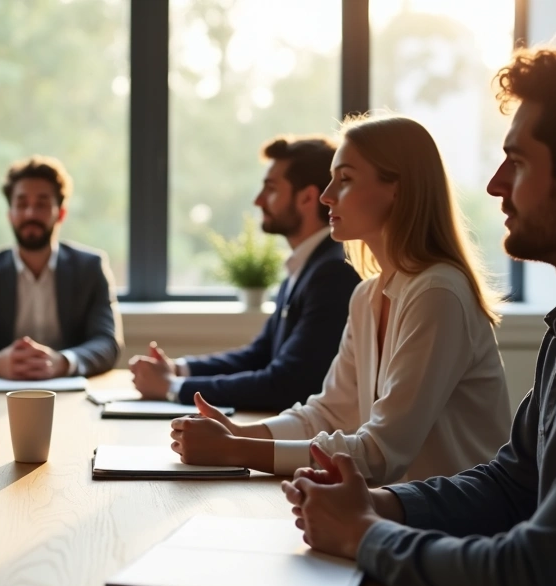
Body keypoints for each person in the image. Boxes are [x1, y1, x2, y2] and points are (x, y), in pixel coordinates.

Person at [282, 25, 556, 586]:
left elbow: (533, 579)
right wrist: (377, 503)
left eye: (516, 162)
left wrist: (363, 533)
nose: (493, 184)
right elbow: (512, 483)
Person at [171, 115, 511, 485]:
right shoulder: (368, 295)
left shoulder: (438, 294)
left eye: (345, 179)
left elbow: (380, 453)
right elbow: (327, 415)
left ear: (398, 188)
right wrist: (237, 432)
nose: (325, 195)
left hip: (456, 527)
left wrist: (236, 449)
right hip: (396, 514)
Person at [130, 137, 360, 410]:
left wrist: (171, 387)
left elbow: (288, 384)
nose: (258, 200)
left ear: (307, 197)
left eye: (271, 189)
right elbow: (259, 355)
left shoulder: (333, 272)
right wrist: (178, 369)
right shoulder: (307, 265)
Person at [0, 155, 122, 379]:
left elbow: (107, 342)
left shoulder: (90, 268)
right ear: (10, 215)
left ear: (61, 213)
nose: (30, 213)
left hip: (69, 393)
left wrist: (62, 362)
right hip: (0, 393)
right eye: (22, 204)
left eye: (42, 204)